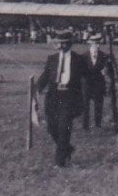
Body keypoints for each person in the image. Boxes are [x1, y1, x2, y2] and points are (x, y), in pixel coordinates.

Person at [37, 29, 86, 167]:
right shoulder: (52, 59)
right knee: (52, 128)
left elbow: (88, 76)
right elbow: (45, 77)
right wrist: (37, 89)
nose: (61, 46)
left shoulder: (78, 59)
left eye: (64, 43)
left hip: (70, 97)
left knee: (64, 127)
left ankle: (60, 162)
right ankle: (67, 148)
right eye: (59, 43)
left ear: (70, 43)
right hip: (53, 97)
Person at [81, 33, 115, 129]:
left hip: (98, 83)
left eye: (98, 43)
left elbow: (109, 71)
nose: (97, 45)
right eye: (95, 43)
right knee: (85, 105)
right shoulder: (84, 56)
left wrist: (107, 69)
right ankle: (85, 125)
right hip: (86, 83)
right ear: (90, 44)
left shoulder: (104, 56)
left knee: (98, 104)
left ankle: (98, 124)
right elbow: (81, 71)